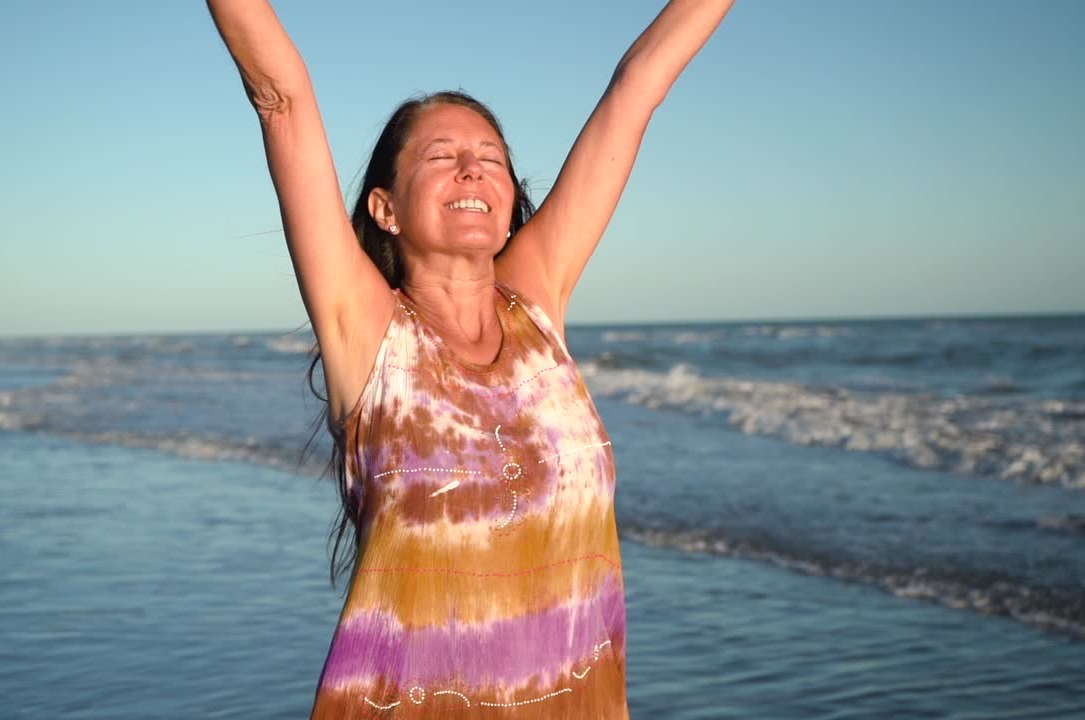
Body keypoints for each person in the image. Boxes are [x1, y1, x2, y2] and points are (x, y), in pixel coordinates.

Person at [207, 1, 733, 716]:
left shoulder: (538, 301)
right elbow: (281, 98)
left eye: (490, 159)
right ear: (385, 209)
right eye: (441, 157)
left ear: (509, 196)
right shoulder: (366, 331)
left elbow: (637, 86)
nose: (472, 169)